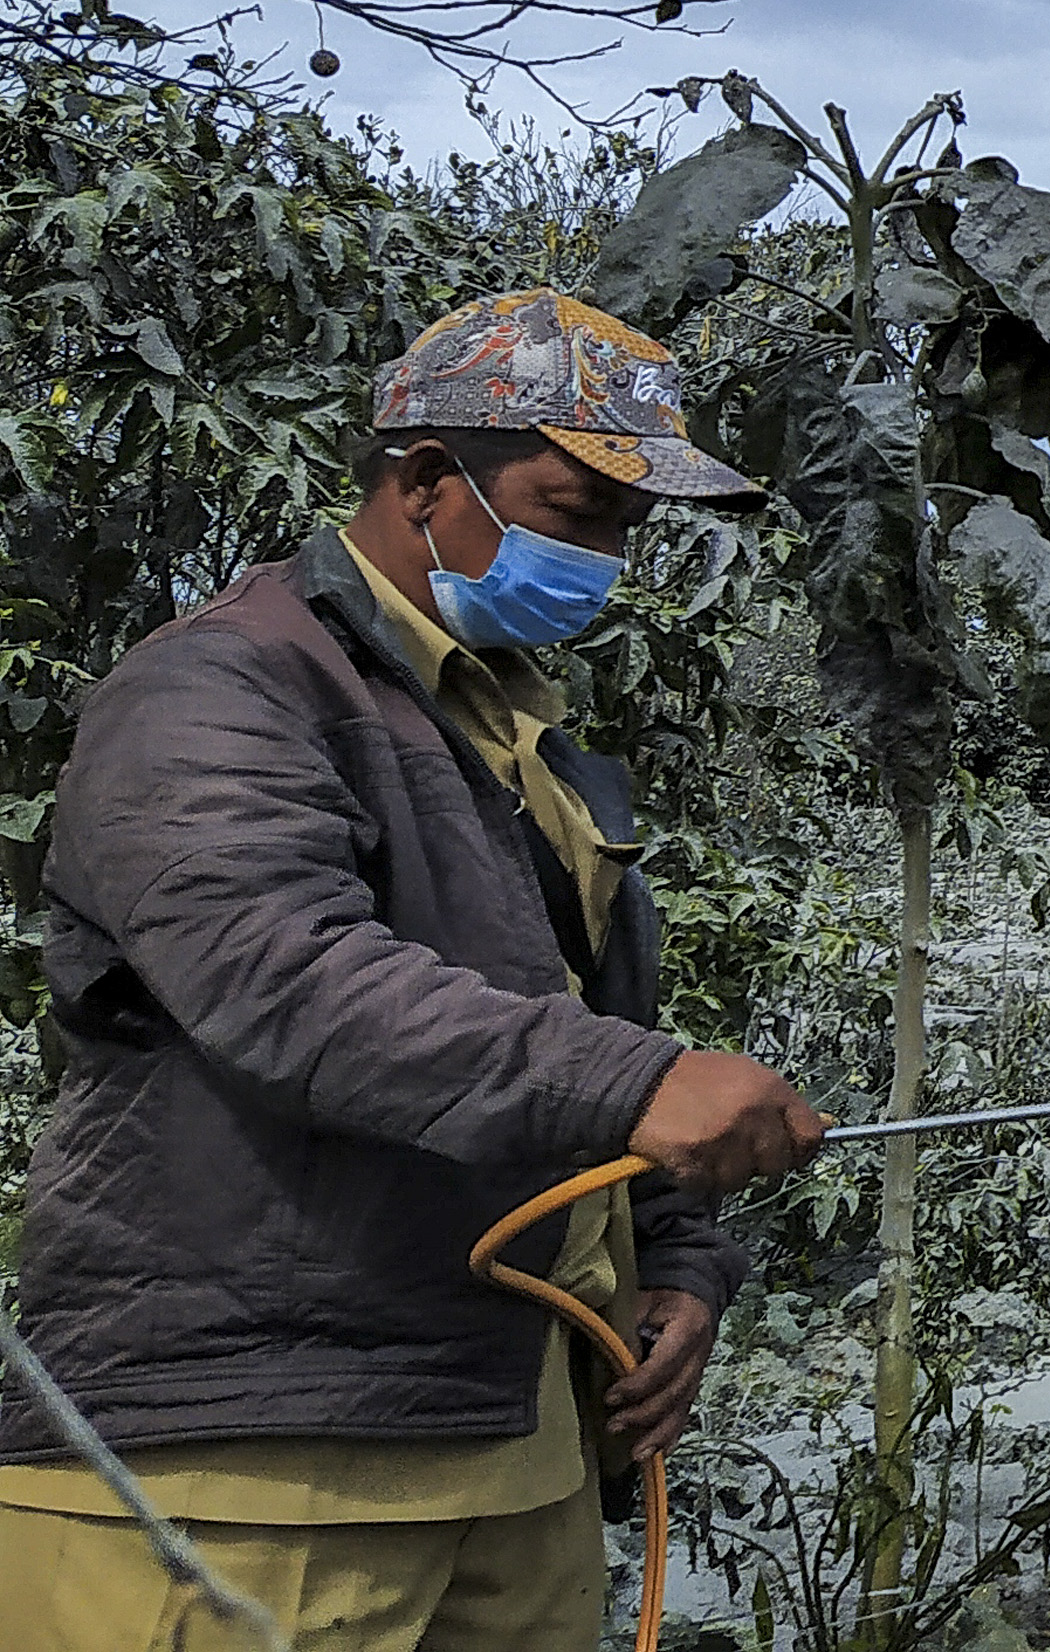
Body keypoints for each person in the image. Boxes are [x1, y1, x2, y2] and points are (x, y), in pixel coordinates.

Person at [0, 289, 828, 1652]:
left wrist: (676, 1266)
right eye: (580, 510)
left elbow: (575, 1019)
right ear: (431, 480)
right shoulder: (222, 686)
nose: (611, 556)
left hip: (517, 1453)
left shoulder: (518, 729)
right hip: (255, 1468)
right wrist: (647, 1085)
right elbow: (285, 977)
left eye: (631, 525)